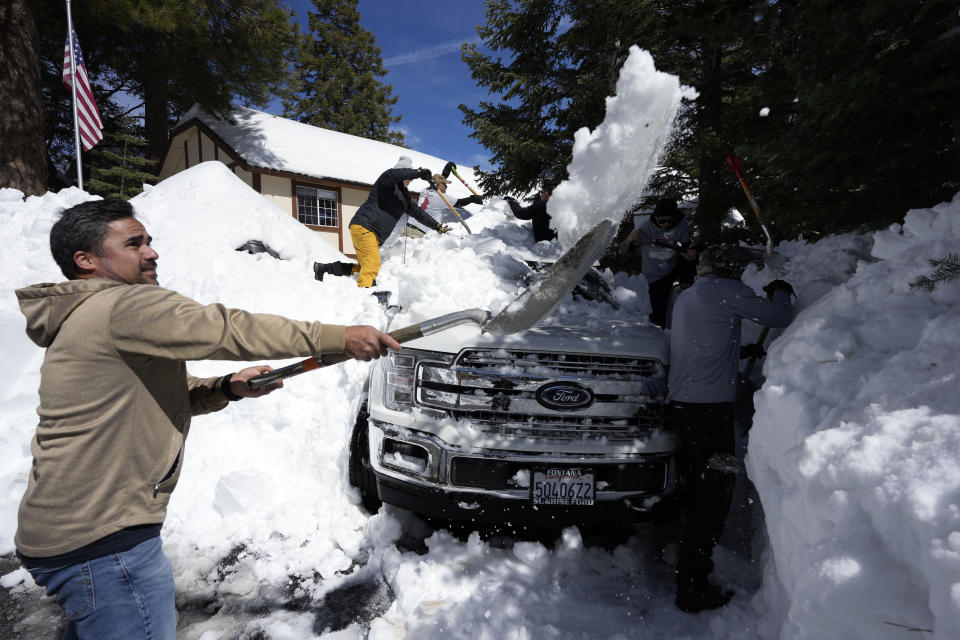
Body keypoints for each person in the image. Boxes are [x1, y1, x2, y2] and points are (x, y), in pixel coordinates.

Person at [13, 198, 401, 640]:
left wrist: (225, 388)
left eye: (150, 242)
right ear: (86, 261)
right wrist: (338, 336)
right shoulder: (121, 306)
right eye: (134, 244)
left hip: (74, 530)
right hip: (101, 540)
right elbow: (225, 329)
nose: (152, 252)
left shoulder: (88, 317)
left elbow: (159, 396)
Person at [666, 244, 794, 613]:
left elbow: (702, 345)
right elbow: (778, 316)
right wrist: (781, 291)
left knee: (696, 489)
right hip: (708, 414)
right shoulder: (727, 290)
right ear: (728, 270)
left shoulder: (690, 296)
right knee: (714, 497)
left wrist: (738, 354)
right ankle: (692, 588)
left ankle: (680, 561)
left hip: (684, 408)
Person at [315, 156, 450, 287]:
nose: (409, 179)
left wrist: (437, 226)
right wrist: (417, 173)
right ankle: (367, 295)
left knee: (363, 267)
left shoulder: (404, 198)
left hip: (373, 233)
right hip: (365, 226)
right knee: (372, 264)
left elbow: (419, 213)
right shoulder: (386, 182)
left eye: (410, 178)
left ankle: (324, 269)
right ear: (401, 173)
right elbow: (393, 174)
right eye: (406, 175)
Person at [618, 198, 698, 327]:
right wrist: (628, 240)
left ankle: (687, 295)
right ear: (655, 218)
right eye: (662, 221)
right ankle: (658, 335)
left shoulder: (681, 223)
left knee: (695, 258)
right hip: (656, 273)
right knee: (658, 311)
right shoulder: (645, 229)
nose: (666, 224)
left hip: (674, 264)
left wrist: (686, 253)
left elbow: (685, 246)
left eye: (670, 221)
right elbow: (622, 251)